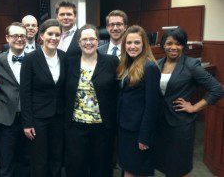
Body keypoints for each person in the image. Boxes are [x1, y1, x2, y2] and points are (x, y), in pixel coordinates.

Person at [155, 28, 224, 177]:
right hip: (160, 123)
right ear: (163, 45)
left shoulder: (191, 65)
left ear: (184, 46)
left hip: (180, 125)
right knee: (166, 166)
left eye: (178, 44)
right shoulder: (157, 64)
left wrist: (194, 107)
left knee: (180, 168)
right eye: (169, 43)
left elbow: (217, 89)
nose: (173, 47)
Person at [64, 24, 119, 177]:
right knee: (76, 168)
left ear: (98, 41)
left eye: (92, 39)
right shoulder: (69, 62)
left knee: (101, 168)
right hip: (75, 126)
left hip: (103, 127)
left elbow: (118, 92)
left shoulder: (111, 61)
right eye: (84, 39)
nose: (88, 42)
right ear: (79, 42)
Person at [20, 19, 65, 177]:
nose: (54, 38)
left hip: (59, 117)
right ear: (42, 35)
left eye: (57, 34)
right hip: (38, 118)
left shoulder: (64, 57)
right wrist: (27, 122)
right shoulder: (30, 58)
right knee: (39, 160)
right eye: (50, 34)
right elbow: (24, 93)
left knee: (57, 157)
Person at [117, 25, 161, 177]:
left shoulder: (149, 67)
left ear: (144, 44)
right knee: (128, 168)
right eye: (129, 43)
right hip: (126, 128)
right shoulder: (128, 64)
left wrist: (145, 136)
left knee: (133, 170)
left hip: (138, 131)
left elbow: (152, 105)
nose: (132, 46)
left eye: (137, 42)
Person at [0, 22, 30, 177]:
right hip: (6, 119)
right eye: (15, 36)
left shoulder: (33, 59)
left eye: (22, 35)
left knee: (26, 159)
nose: (19, 39)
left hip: (28, 119)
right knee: (6, 161)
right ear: (7, 38)